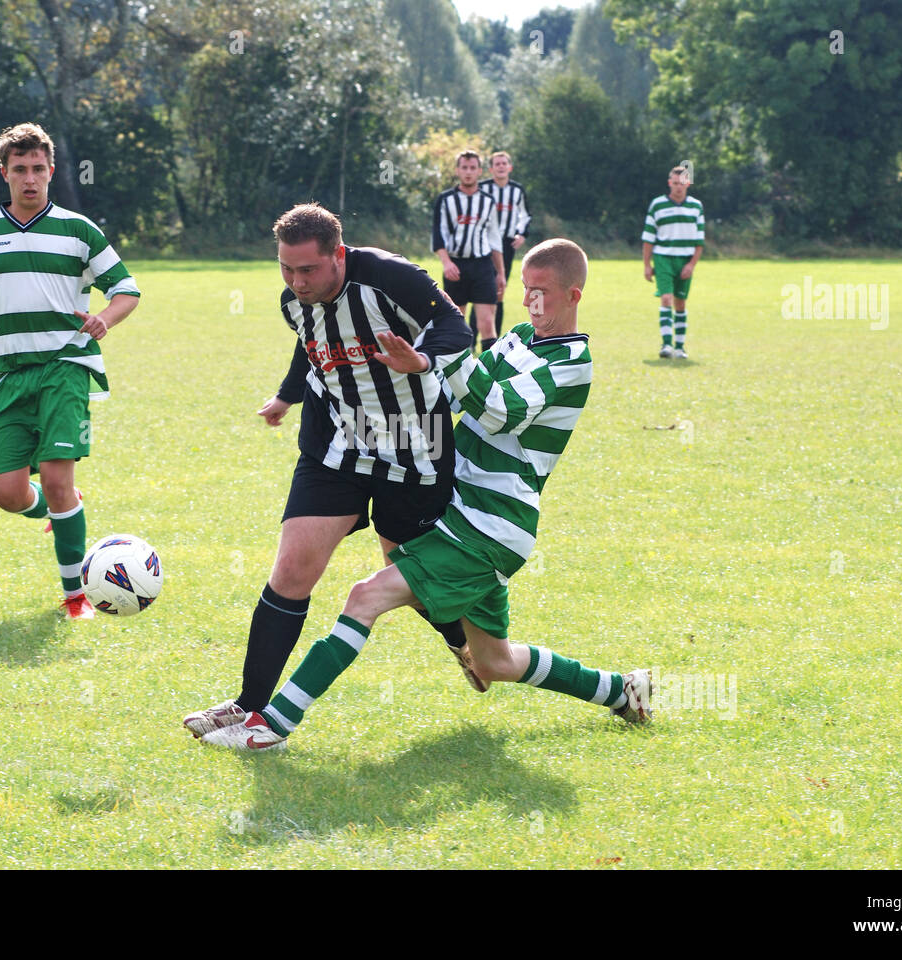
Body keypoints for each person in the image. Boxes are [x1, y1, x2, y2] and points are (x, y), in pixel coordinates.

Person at [199, 239, 653, 752]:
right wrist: (423, 367)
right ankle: (621, 690)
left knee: (364, 596)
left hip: (491, 525)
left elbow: (497, 408)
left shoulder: (573, 361)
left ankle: (270, 727)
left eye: (542, 293)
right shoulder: (520, 338)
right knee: (493, 662)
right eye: (526, 291)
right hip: (463, 512)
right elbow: (466, 383)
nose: (531, 304)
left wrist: (434, 358)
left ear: (573, 295)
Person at [182, 203, 475, 738]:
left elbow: (457, 327)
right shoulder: (296, 300)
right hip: (337, 447)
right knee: (292, 569)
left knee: (409, 574)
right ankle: (249, 705)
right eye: (286, 270)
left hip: (415, 446)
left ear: (338, 255)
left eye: (308, 270)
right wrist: (286, 396)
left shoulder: (390, 278)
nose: (297, 282)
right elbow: (311, 342)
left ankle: (464, 641)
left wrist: (422, 360)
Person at [0, 122, 140, 620]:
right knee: (8, 494)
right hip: (6, 375)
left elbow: (126, 289)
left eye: (38, 169)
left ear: (52, 171)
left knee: (57, 476)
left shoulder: (79, 229)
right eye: (20, 170)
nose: (30, 179)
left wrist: (105, 318)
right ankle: (62, 508)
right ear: (5, 173)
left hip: (65, 366)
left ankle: (76, 596)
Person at [433, 150, 505, 354]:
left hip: (482, 265)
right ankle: (459, 369)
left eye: (473, 168)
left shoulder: (488, 201)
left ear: (479, 171)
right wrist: (446, 262)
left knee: (487, 322)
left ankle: (491, 371)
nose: (468, 172)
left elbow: (494, 238)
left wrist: (499, 272)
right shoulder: (446, 199)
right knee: (456, 319)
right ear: (457, 170)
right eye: (464, 168)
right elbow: (438, 233)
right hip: (456, 265)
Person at [641, 166, 704, 359]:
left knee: (680, 303)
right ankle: (666, 345)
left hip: (685, 259)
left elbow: (699, 241)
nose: (679, 187)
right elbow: (648, 237)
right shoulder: (657, 205)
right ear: (670, 183)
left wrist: (691, 265)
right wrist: (646, 264)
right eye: (675, 183)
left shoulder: (696, 207)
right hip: (663, 258)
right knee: (666, 299)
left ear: (688, 183)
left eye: (682, 183)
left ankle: (680, 347)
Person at [471, 151, 531, 341]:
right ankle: (472, 339)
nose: (501, 166)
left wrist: (521, 234)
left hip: (506, 243)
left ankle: (494, 340)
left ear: (510, 167)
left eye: (504, 163)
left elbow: (525, 215)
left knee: (499, 289)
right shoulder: (482, 188)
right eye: (497, 164)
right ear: (491, 169)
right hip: (483, 243)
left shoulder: (517, 190)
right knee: (480, 289)